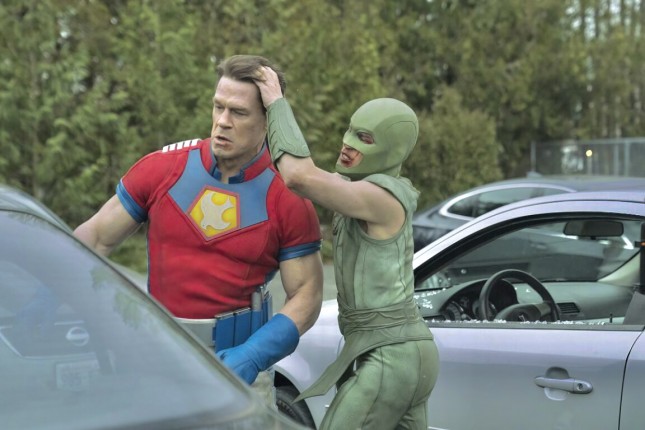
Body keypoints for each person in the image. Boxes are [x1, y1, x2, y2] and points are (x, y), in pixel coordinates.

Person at [73, 55, 324, 403]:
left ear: (267, 121)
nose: (222, 122)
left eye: (238, 113)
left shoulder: (288, 197)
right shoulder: (163, 169)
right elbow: (95, 238)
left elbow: (307, 295)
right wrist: (43, 288)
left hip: (237, 370)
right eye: (218, 107)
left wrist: (254, 355)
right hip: (157, 357)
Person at [254, 67, 440, 429]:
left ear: (391, 149)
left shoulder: (382, 196)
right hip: (396, 353)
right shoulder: (358, 190)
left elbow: (299, 176)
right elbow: (303, 174)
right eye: (350, 130)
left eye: (364, 138)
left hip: (391, 356)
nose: (348, 143)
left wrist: (275, 102)